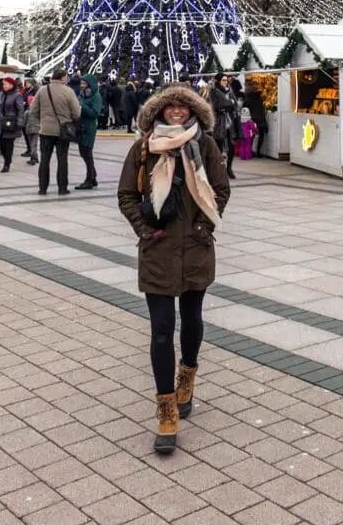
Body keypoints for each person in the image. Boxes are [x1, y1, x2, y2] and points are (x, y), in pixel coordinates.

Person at [118, 84, 230, 454]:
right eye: (171, 108)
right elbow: (126, 195)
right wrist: (145, 230)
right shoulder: (144, 148)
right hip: (158, 250)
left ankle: (188, 377)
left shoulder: (206, 146)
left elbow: (220, 188)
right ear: (159, 112)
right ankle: (167, 411)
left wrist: (204, 226)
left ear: (193, 111)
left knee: (193, 318)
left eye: (184, 107)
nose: (178, 112)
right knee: (162, 329)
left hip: (196, 247)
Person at [34, 68, 81, 195]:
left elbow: (33, 110)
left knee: (44, 159)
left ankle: (42, 188)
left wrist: (43, 119)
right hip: (63, 131)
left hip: (45, 131)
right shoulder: (68, 91)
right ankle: (62, 188)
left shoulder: (42, 90)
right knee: (62, 159)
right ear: (63, 78)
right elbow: (77, 112)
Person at [73, 74, 102, 190]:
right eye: (82, 83)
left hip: (89, 128)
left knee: (87, 153)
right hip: (81, 127)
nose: (82, 86)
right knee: (84, 153)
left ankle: (89, 180)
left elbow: (95, 113)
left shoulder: (96, 96)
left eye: (84, 83)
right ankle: (93, 177)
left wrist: (82, 106)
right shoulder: (82, 94)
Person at [210, 73, 239, 180]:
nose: (225, 82)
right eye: (223, 80)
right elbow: (218, 105)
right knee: (219, 147)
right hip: (219, 123)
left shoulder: (229, 90)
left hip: (230, 122)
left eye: (226, 80)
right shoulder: (214, 91)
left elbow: (235, 104)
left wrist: (228, 104)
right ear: (218, 81)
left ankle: (229, 168)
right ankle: (219, 170)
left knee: (232, 145)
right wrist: (228, 104)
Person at [0, 77, 25, 172]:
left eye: (5, 84)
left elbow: (20, 109)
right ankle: (7, 159)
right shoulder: (1, 94)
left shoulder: (17, 95)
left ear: (11, 85)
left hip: (11, 123)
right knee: (1, 143)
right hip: (0, 122)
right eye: (3, 84)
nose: (4, 86)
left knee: (9, 144)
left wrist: (19, 122)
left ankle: (7, 164)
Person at [243, 81, 268, 157]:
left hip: (253, 120)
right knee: (261, 136)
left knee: (251, 136)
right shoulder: (259, 99)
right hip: (261, 119)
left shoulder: (247, 100)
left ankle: (250, 151)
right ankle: (258, 152)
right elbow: (262, 110)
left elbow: (245, 110)